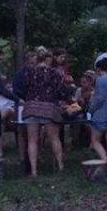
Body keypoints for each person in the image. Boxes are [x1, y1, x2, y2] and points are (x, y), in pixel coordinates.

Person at [22, 48, 70, 177]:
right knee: (54, 138)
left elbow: (24, 88)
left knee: (32, 140)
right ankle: (60, 166)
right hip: (48, 108)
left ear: (36, 58)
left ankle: (34, 171)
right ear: (48, 59)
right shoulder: (54, 73)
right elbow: (61, 90)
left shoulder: (29, 72)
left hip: (31, 107)